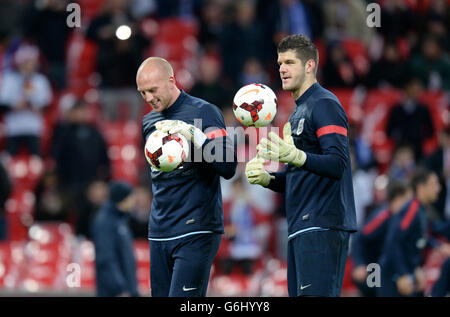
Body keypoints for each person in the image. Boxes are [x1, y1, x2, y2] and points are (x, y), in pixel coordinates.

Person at [245, 34, 357, 297]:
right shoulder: (298, 111)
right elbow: (300, 174)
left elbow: (337, 163)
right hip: (302, 225)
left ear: (309, 66)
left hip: (323, 224)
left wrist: (295, 156)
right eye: (280, 62)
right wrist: (268, 179)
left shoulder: (325, 104)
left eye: (290, 62)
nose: (282, 68)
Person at [137, 57, 237, 297]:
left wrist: (198, 138)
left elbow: (228, 166)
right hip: (160, 229)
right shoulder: (148, 121)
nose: (148, 98)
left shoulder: (204, 112)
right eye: (142, 93)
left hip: (196, 228)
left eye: (153, 90)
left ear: (171, 80)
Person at [377, 168, 443, 297]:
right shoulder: (412, 209)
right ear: (421, 187)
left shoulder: (421, 210)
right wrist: (402, 274)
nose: (438, 188)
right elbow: (394, 241)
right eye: (434, 184)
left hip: (405, 273)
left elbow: (415, 241)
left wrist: (416, 267)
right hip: (393, 276)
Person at [351, 180, 412, 297]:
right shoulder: (383, 216)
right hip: (373, 268)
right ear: (398, 198)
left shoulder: (403, 219)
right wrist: (359, 264)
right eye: (408, 200)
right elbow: (359, 237)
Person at [91, 181, 139, 297]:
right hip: (115, 292)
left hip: (127, 289)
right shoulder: (105, 221)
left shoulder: (120, 220)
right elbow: (106, 259)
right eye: (131, 196)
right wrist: (120, 288)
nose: (134, 200)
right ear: (123, 198)